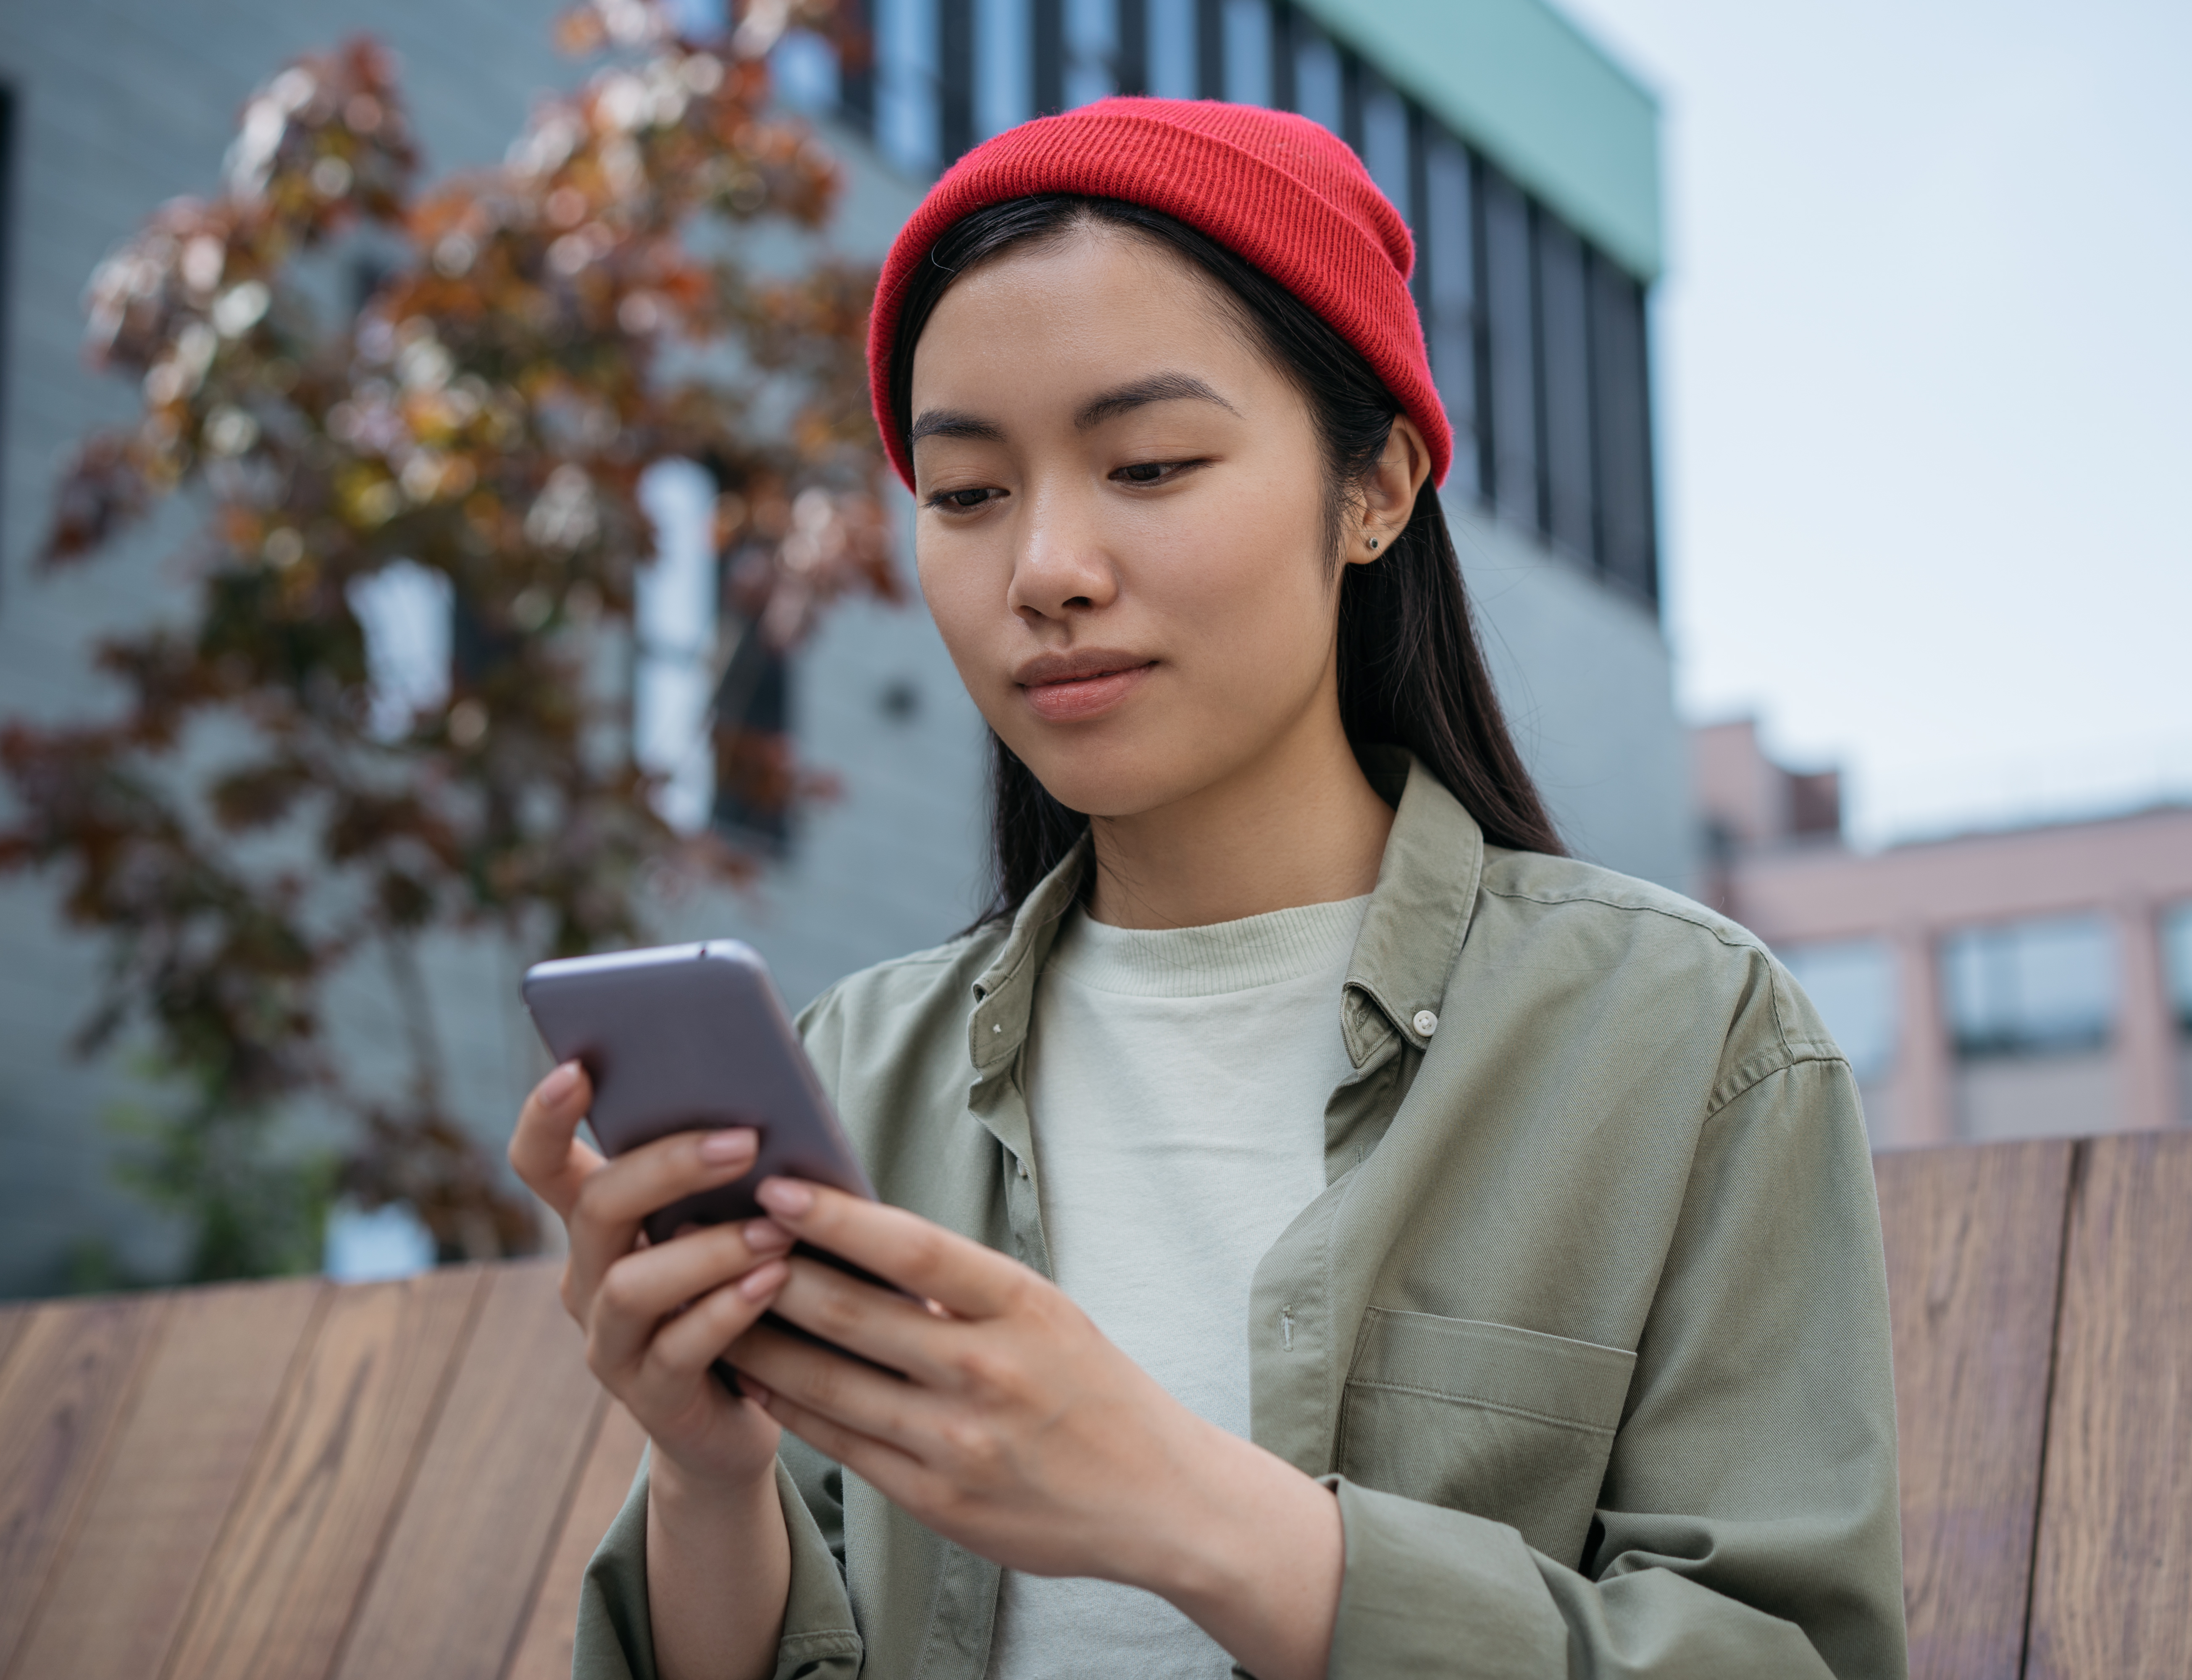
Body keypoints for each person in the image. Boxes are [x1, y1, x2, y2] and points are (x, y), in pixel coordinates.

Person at [509, 97, 1906, 1680]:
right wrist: (709, 1475)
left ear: (1373, 488)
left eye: (1150, 463)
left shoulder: (1692, 1045)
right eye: (967, 494)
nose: (1045, 566)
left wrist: (1181, 1507)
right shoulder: (858, 1070)